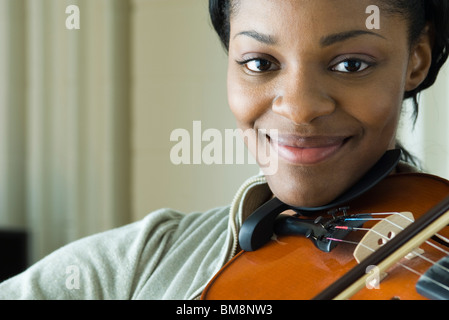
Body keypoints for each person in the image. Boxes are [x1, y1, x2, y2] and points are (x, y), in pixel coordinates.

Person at [0, 0, 448, 300]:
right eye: (260, 63)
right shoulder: (139, 264)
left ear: (417, 59)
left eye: (351, 64)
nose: (299, 108)